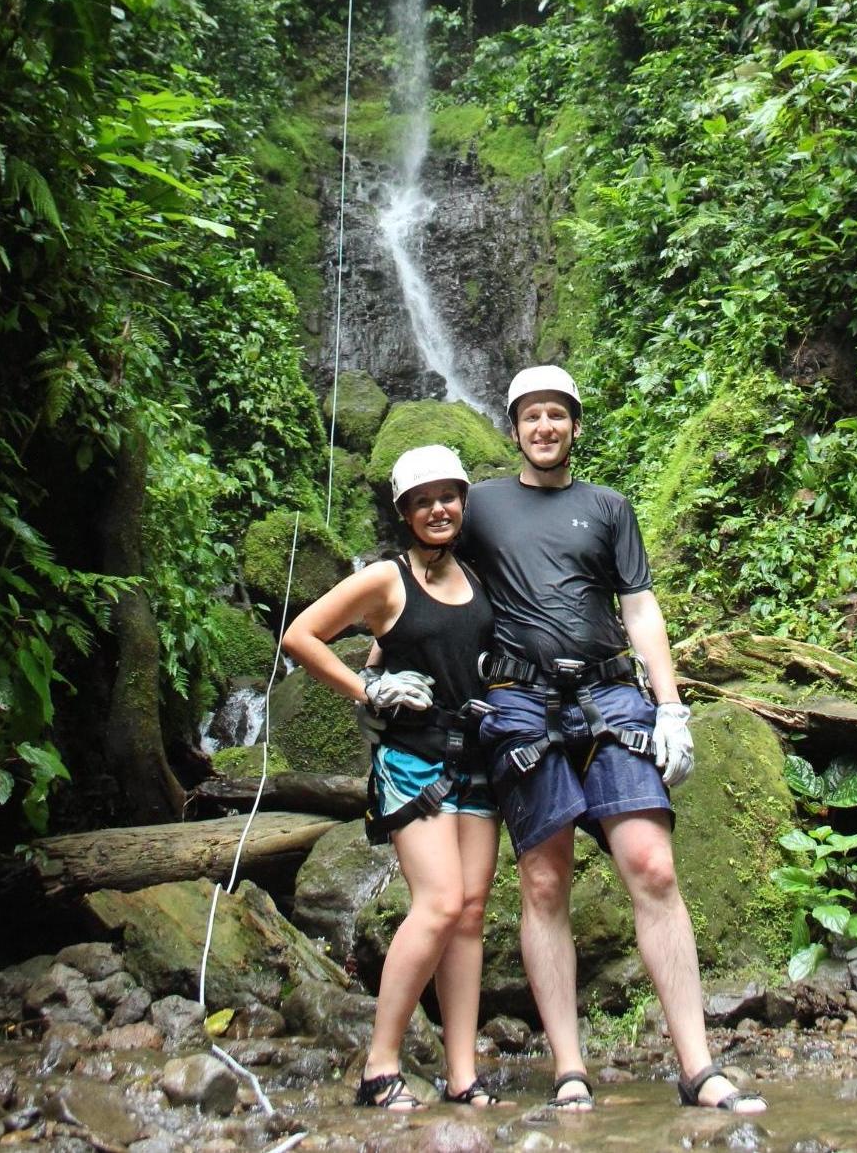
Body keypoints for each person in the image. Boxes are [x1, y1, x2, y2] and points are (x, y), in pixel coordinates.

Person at [457, 365, 767, 1114]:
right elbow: (431, 579)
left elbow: (639, 610)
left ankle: (697, 1065)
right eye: (531, 416)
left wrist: (670, 707)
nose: (544, 427)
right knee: (542, 879)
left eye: (556, 415)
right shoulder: (481, 506)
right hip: (520, 699)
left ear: (574, 426)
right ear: (513, 427)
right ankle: (569, 1066)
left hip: (608, 693)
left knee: (652, 865)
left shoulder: (609, 507)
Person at [281, 445, 502, 1111]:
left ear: (462, 501)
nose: (438, 507)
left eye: (448, 495)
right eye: (423, 499)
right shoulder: (385, 579)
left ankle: (462, 1073)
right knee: (437, 902)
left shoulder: (478, 572)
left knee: (467, 913)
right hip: (413, 761)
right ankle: (380, 1065)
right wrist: (367, 692)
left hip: (477, 757)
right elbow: (301, 635)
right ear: (404, 511)